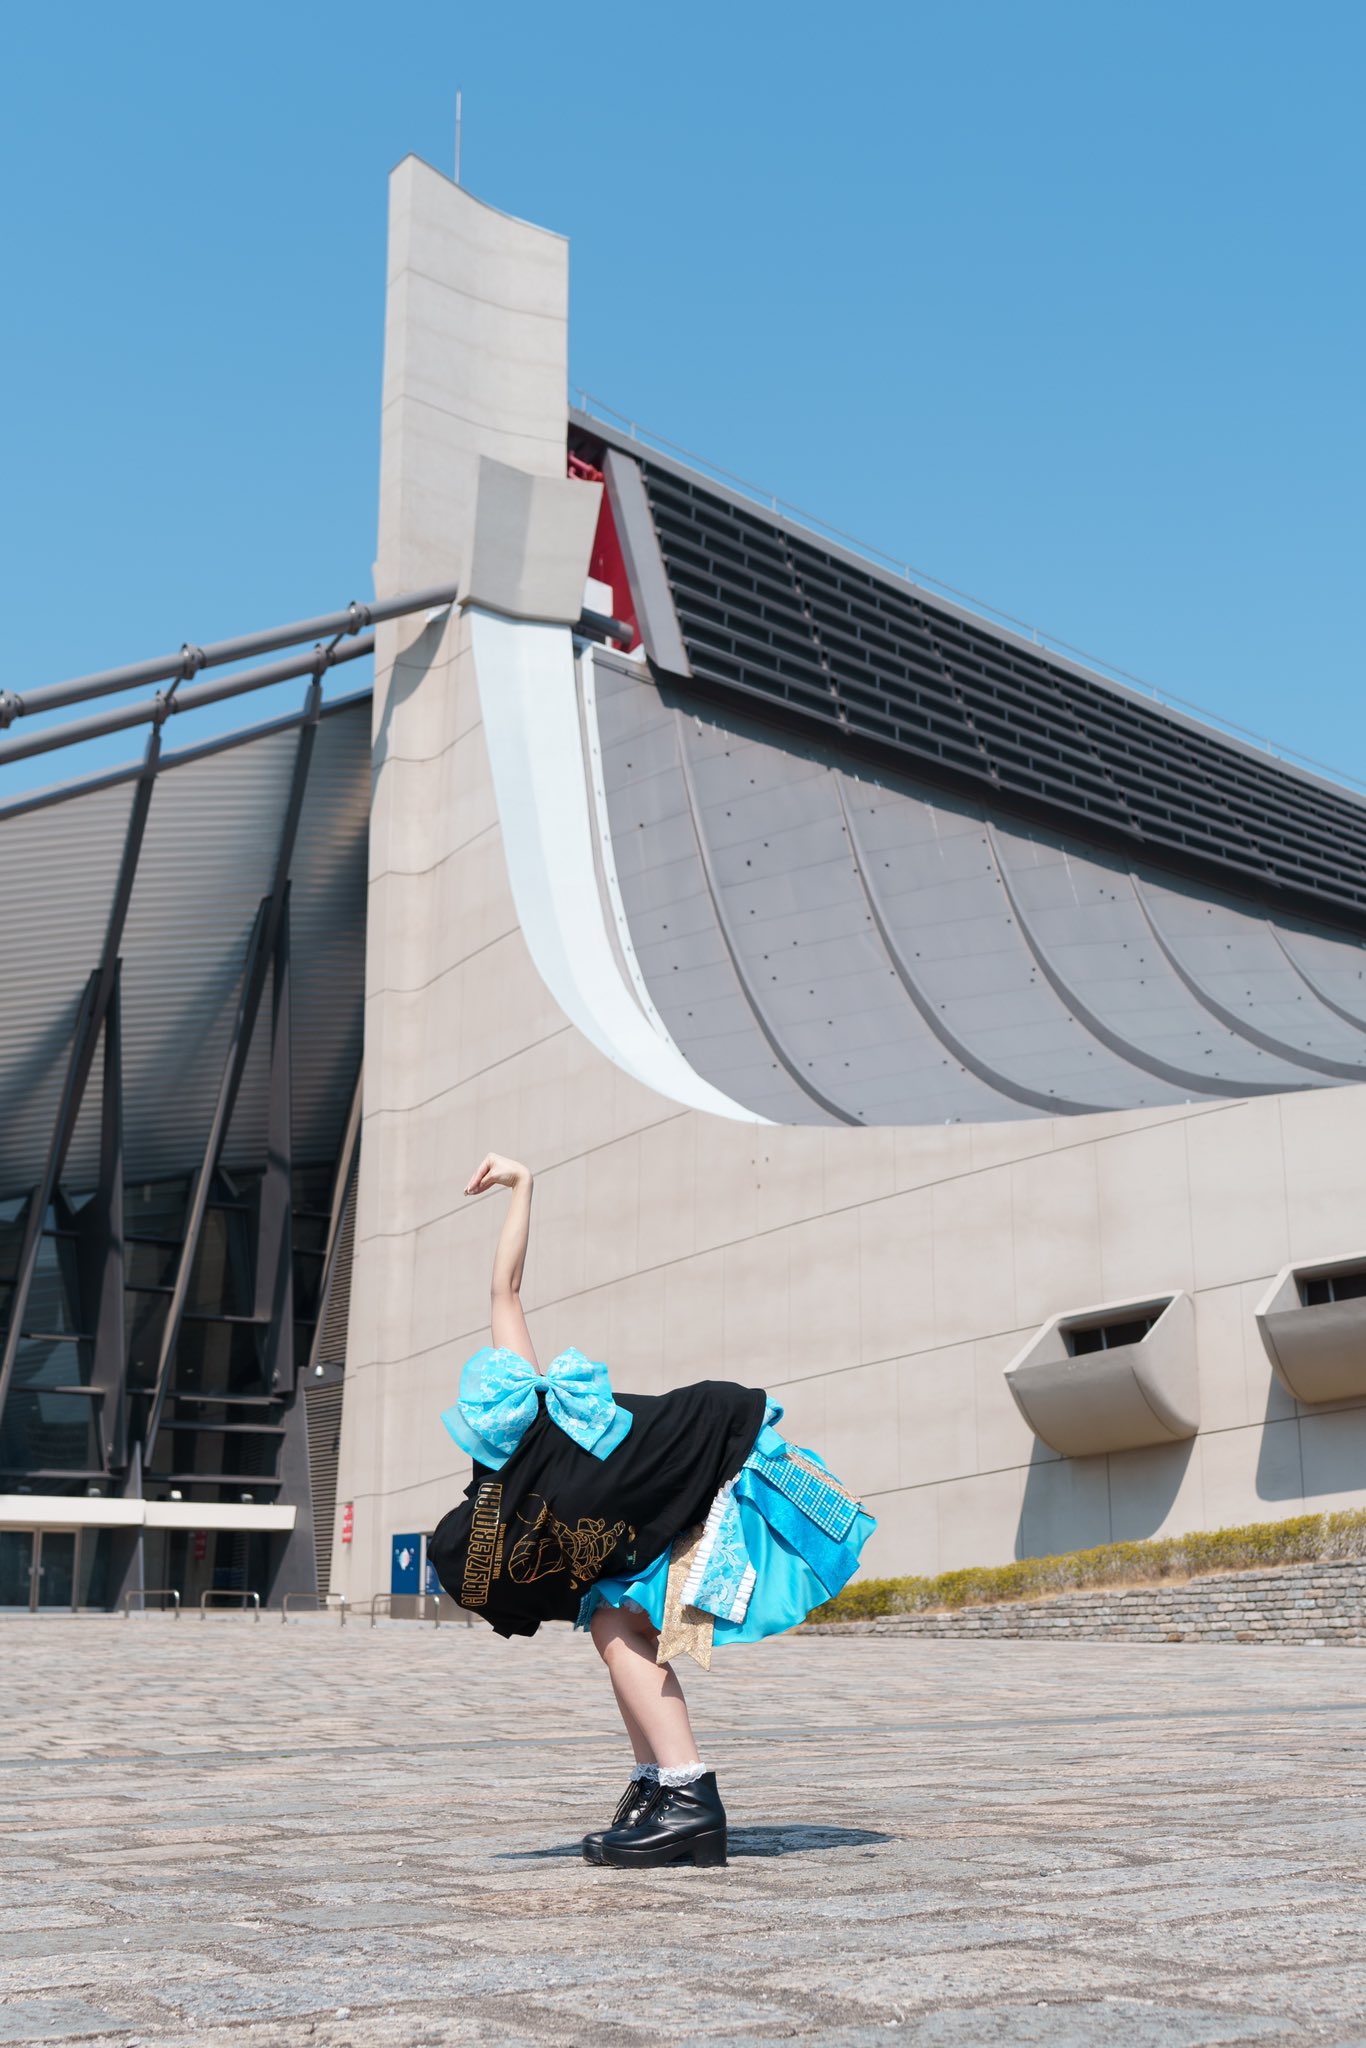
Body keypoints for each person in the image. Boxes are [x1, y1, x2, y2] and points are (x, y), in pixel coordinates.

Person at [427, 1152, 875, 1869]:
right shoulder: (533, 1468)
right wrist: (522, 1185)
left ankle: (687, 1793)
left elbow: (504, 1291)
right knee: (613, 1623)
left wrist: (523, 1186)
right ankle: (664, 1784)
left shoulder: (539, 1431)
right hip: (693, 1473)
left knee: (617, 1623)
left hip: (716, 1460)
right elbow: (503, 1292)